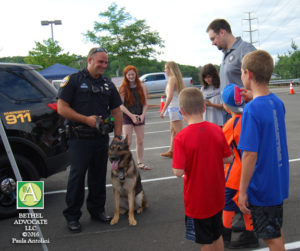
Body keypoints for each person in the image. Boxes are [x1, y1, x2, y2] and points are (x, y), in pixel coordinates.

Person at [57, 47, 123, 233]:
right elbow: (62, 108)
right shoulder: (74, 81)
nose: (103, 65)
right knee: (77, 179)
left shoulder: (107, 84)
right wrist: (85, 120)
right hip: (79, 139)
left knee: (98, 176)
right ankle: (72, 216)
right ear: (90, 60)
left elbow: (116, 111)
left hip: (100, 138)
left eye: (105, 62)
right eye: (100, 61)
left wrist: (118, 136)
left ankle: (97, 211)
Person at [238, 50, 289, 250]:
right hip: (277, 180)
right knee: (274, 228)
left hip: (262, 185)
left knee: (270, 236)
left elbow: (250, 154)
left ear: (248, 74)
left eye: (242, 72)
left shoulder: (251, 110)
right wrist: (254, 97)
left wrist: (242, 191)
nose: (241, 76)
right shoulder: (276, 101)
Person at [173, 87, 233, 251]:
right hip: (217, 195)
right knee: (217, 234)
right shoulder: (217, 130)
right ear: (204, 108)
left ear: (181, 112)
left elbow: (178, 171)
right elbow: (228, 158)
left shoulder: (181, 138)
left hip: (197, 200)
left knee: (205, 241)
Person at [221, 84, 258, 249]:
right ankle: (251, 233)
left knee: (228, 203)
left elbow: (223, 151)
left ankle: (225, 235)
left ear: (226, 107)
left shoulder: (230, 125)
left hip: (235, 172)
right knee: (245, 202)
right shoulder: (250, 118)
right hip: (251, 170)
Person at [206, 18, 256, 124]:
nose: (212, 43)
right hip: (228, 112)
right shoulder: (226, 53)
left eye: (213, 39)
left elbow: (259, 75)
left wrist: (253, 94)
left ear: (222, 32)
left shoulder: (245, 49)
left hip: (241, 113)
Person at [118, 65, 150, 170]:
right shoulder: (123, 88)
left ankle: (140, 162)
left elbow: (145, 103)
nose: (131, 76)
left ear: (136, 74)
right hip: (127, 116)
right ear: (125, 75)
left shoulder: (142, 86)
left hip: (140, 115)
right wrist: (131, 116)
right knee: (127, 142)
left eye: (133, 74)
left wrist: (142, 115)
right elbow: (121, 105)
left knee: (140, 140)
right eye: (129, 74)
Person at [160, 61, 185, 158]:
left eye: (166, 68)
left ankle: (185, 152)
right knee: (173, 131)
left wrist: (163, 110)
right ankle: (171, 150)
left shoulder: (172, 79)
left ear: (171, 69)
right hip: (175, 107)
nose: (164, 70)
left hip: (174, 108)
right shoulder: (175, 78)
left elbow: (170, 96)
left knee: (178, 132)